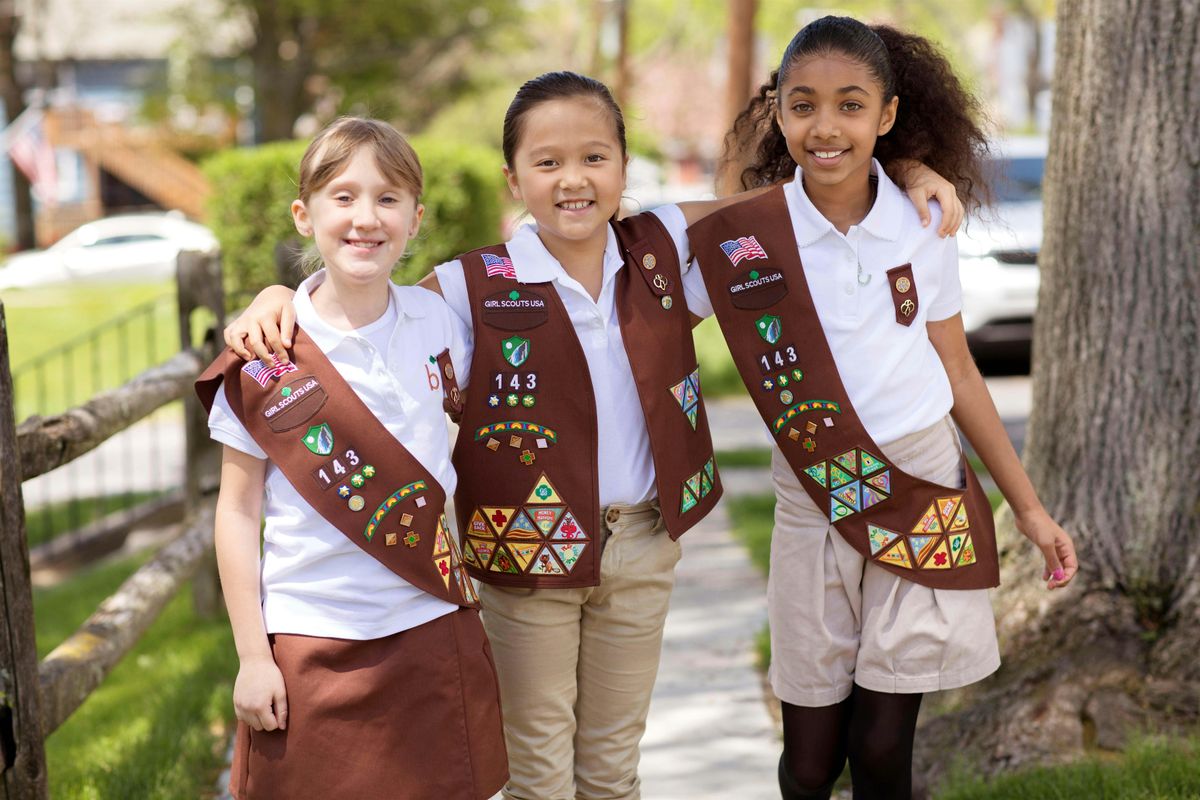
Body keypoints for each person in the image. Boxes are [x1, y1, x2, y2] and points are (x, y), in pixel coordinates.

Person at [222, 72, 963, 800]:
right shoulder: (468, 287)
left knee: (612, 771)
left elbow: (796, 201)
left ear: (622, 166)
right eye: (546, 162)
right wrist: (281, 293)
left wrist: (903, 166)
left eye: (594, 157)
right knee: (540, 777)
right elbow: (361, 305)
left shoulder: (664, 245)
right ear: (513, 178)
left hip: (642, 548)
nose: (572, 179)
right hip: (526, 559)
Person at [684, 17, 1080, 800]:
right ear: (780, 114)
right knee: (808, 764)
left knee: (880, 749)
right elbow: (625, 255)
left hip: (921, 486)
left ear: (887, 116)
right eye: (803, 105)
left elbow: (959, 368)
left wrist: (1028, 509)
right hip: (812, 496)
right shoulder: (745, 236)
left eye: (851, 105)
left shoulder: (922, 223)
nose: (826, 126)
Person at [194, 117, 507, 800]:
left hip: (429, 621)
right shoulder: (266, 358)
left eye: (389, 198)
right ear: (304, 216)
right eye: (343, 196)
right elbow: (238, 512)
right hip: (313, 637)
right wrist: (253, 656)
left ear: (417, 218)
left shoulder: (441, 322)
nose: (366, 217)